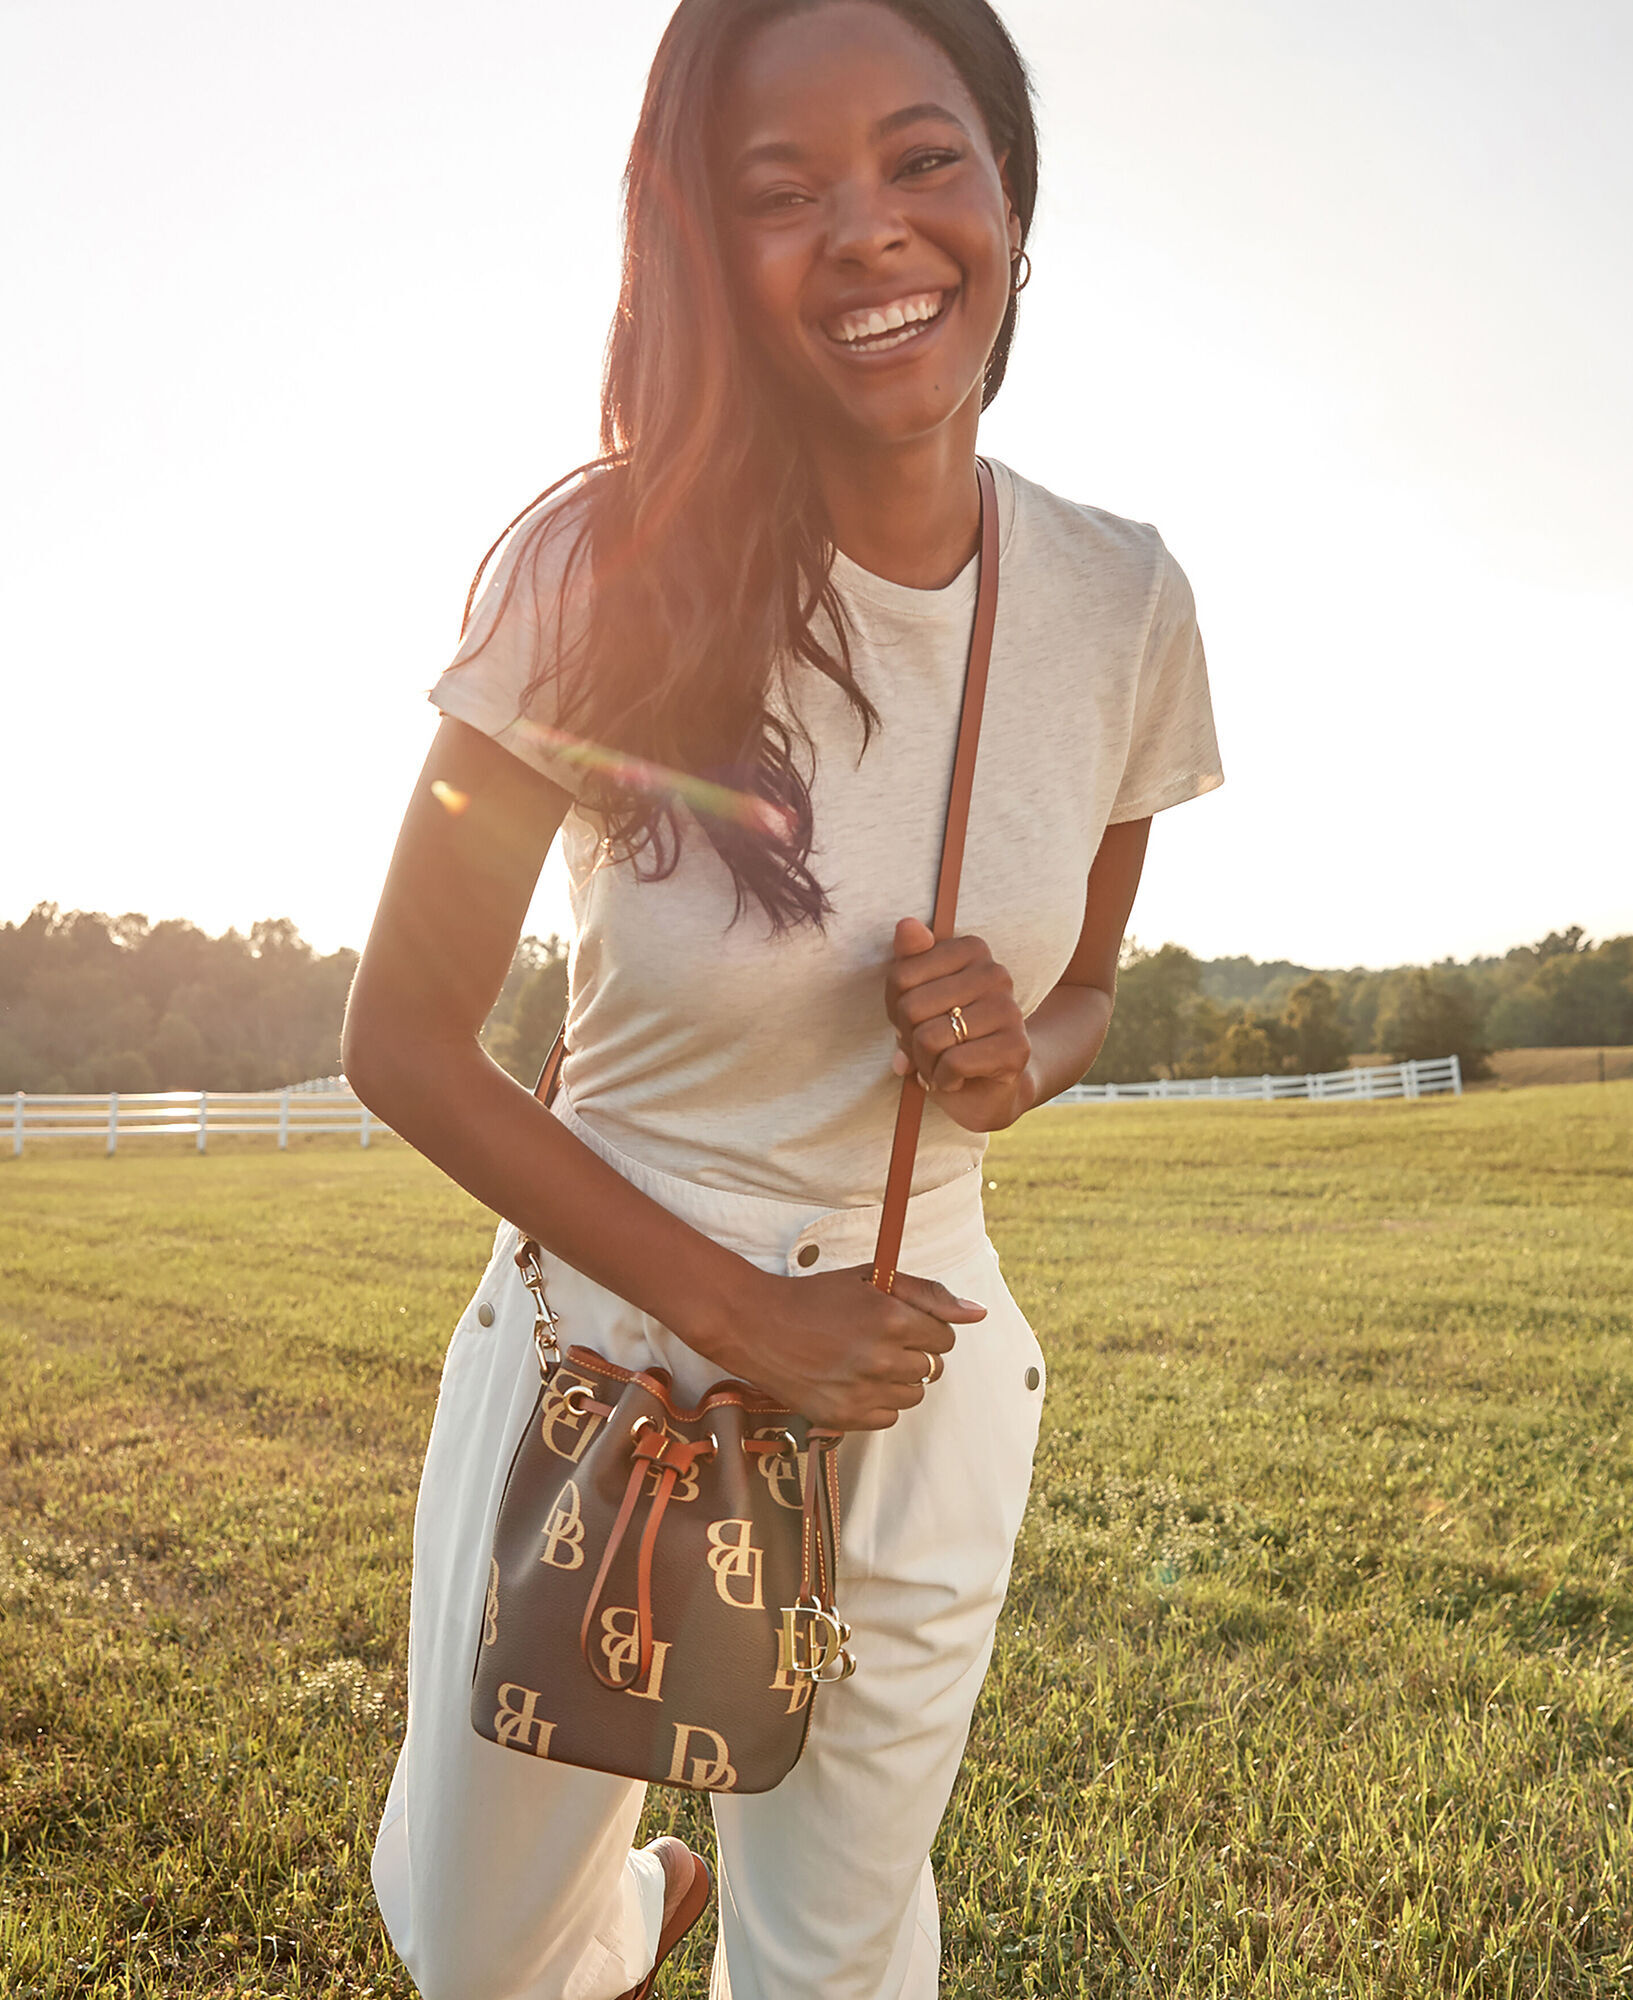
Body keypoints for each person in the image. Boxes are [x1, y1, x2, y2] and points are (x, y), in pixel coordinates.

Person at [343, 0, 1223, 1994]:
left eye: (924, 160)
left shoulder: (1121, 601)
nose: (871, 232)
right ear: (702, 249)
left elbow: (1084, 989)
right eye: (782, 190)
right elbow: (400, 1037)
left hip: (917, 1366)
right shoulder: (600, 566)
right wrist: (745, 1319)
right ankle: (616, 1918)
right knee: (473, 1958)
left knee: (831, 1954)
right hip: (610, 1354)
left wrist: (1018, 1050)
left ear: (1009, 191)